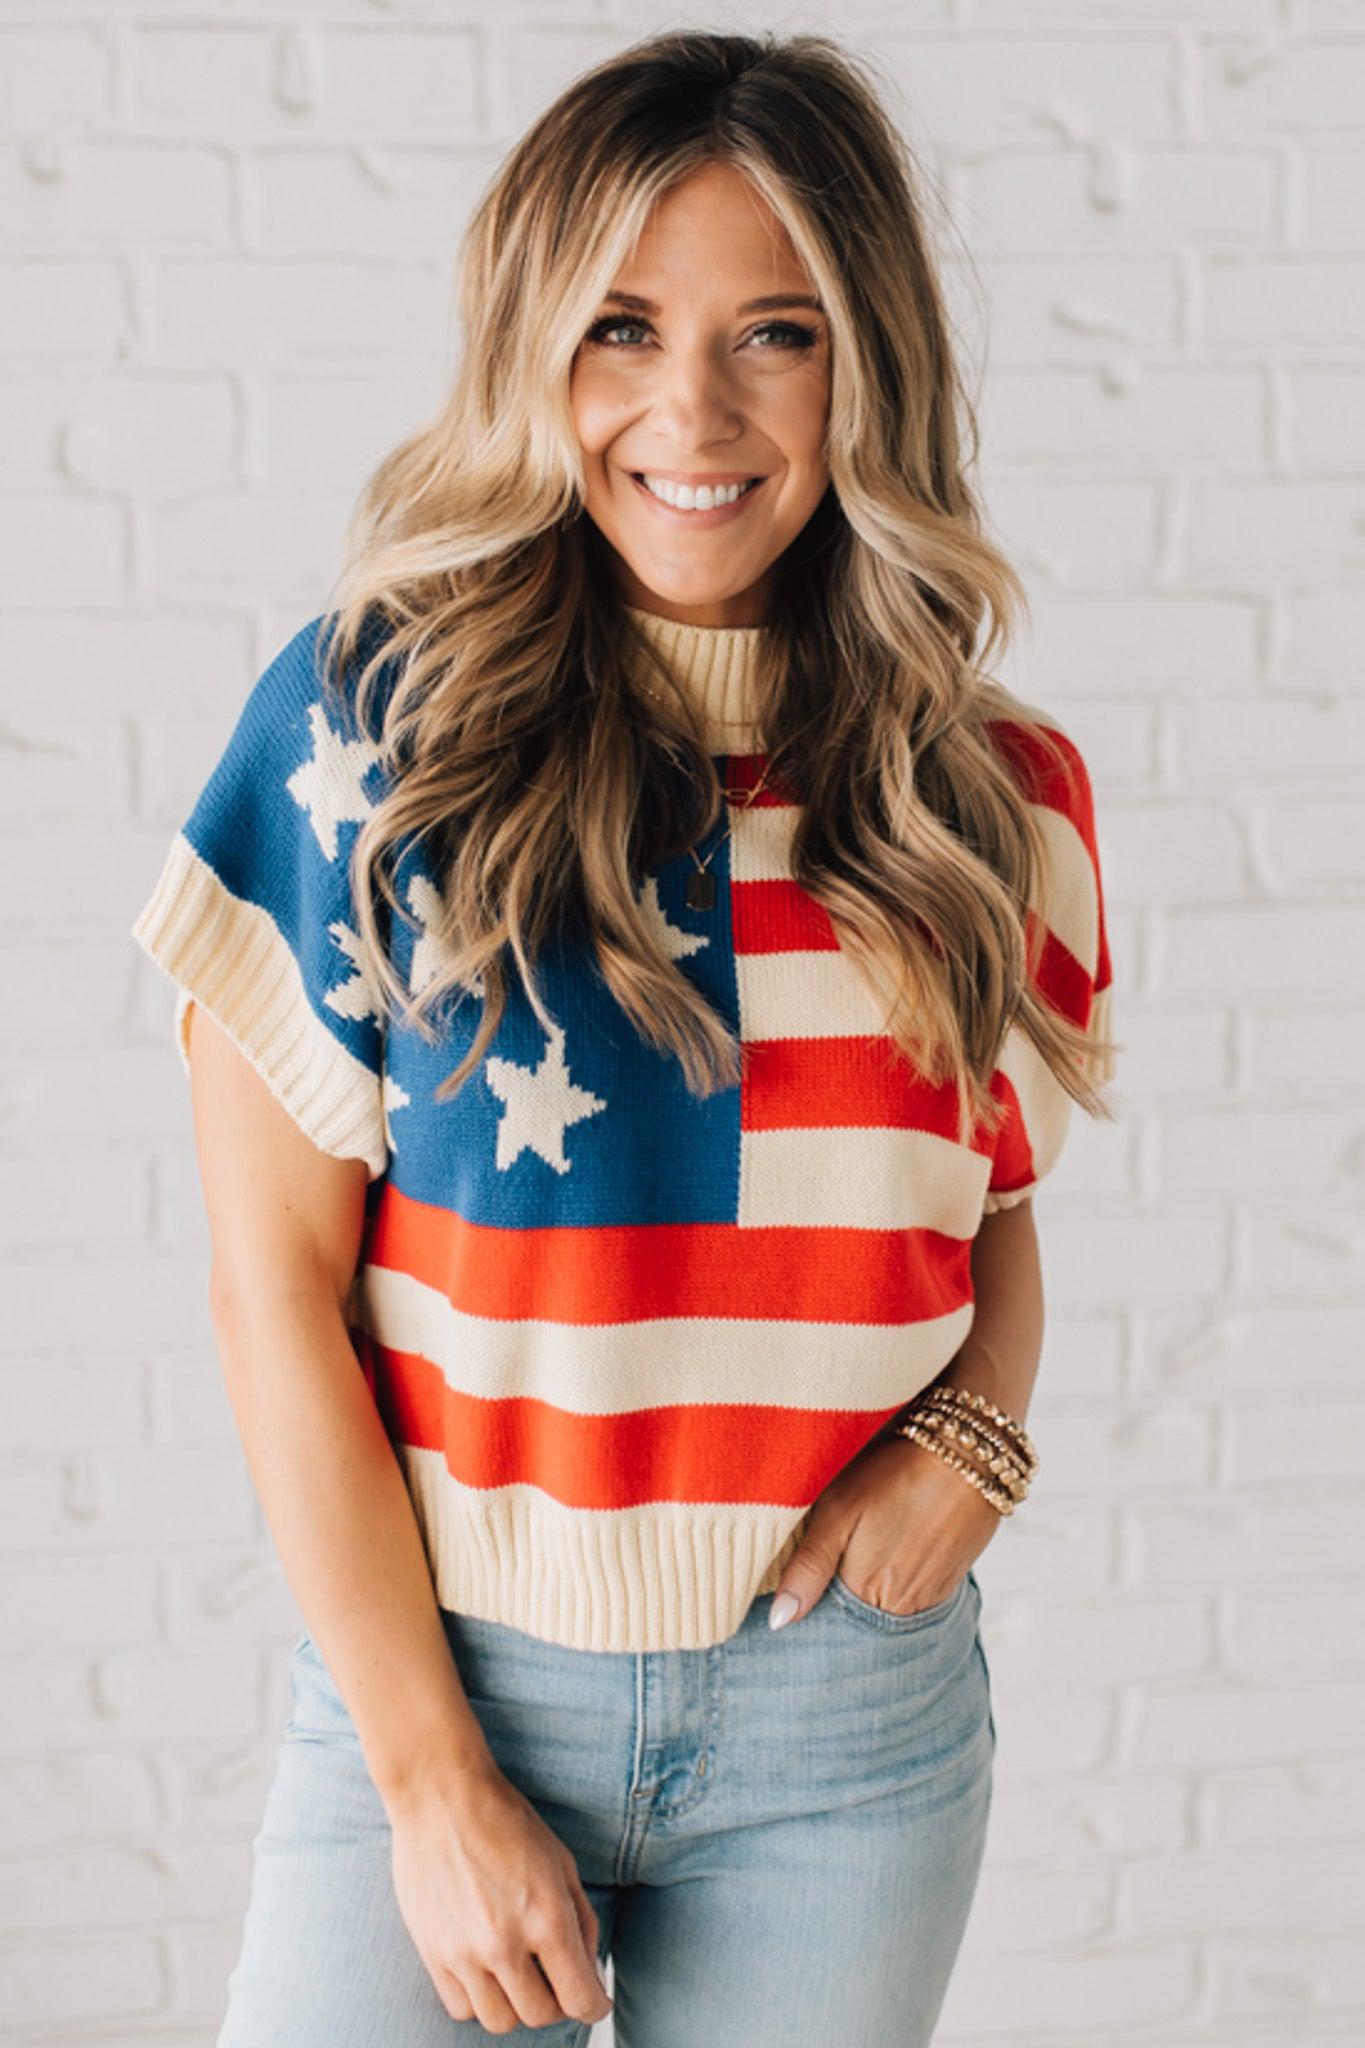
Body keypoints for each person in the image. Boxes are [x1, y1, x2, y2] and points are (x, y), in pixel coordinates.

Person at [129, 28, 1118, 2048]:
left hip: (849, 1726)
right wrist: (427, 1785)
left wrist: (971, 1444)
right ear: (527, 348)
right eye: (619, 328)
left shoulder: (989, 796)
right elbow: (272, 1289)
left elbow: (978, 1208)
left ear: (869, 365)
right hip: (446, 1681)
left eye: (776, 332)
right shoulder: (362, 735)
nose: (693, 409)